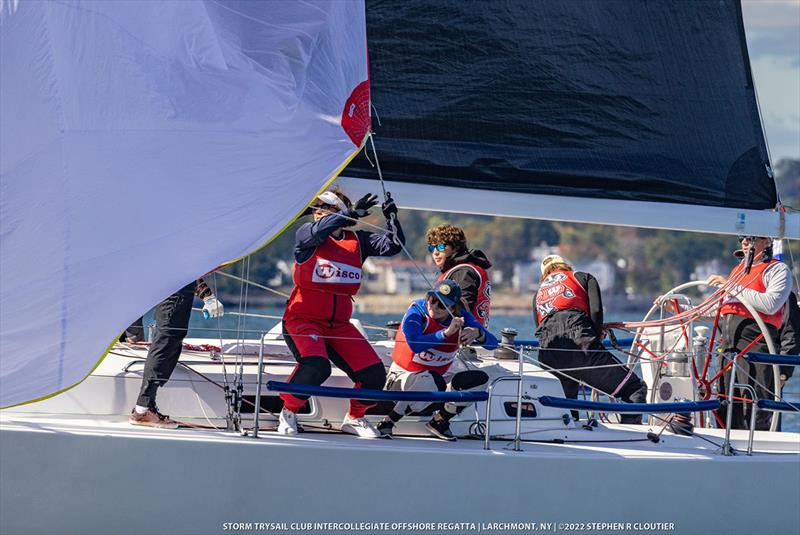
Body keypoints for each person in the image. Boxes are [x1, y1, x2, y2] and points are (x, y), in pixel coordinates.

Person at [278, 187, 404, 438]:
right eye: (315, 208)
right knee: (317, 367)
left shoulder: (359, 241)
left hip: (339, 325)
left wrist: (392, 219)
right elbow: (316, 231)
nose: (317, 213)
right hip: (303, 320)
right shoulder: (308, 235)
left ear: (339, 210)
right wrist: (347, 213)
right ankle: (288, 412)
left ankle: (355, 418)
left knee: (374, 375)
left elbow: (393, 246)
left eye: (324, 208)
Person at [376, 280, 498, 440]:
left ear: (453, 308)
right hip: (401, 379)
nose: (433, 307)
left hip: (436, 383)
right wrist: (446, 333)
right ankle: (388, 422)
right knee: (428, 378)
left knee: (481, 380)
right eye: (432, 300)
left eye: (441, 305)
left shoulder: (461, 317)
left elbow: (493, 343)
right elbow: (415, 345)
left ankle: (440, 421)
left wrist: (478, 333)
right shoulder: (416, 312)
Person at [534, 254, 647, 424]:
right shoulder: (583, 277)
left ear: (544, 275)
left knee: (564, 407)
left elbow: (539, 327)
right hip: (582, 345)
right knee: (634, 389)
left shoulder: (538, 294)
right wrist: (596, 335)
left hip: (549, 354)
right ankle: (633, 438)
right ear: (566, 266)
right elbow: (596, 311)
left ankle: (568, 436)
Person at [707, 236, 793, 430]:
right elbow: (721, 309)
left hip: (756, 346)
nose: (745, 242)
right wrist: (680, 308)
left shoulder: (778, 270)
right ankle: (725, 444)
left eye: (751, 238)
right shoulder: (736, 272)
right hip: (728, 347)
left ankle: (757, 446)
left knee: (756, 405)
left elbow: (770, 305)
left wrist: (729, 285)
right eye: (743, 238)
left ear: (767, 241)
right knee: (724, 403)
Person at [129, 278, 224, 428]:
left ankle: (147, 407)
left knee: (170, 342)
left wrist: (207, 296)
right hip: (175, 294)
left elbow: (189, 269)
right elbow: (188, 268)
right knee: (166, 341)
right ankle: (143, 410)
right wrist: (208, 297)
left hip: (174, 291)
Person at [426, 224, 492, 327]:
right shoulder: (467, 268)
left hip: (464, 338)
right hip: (473, 337)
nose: (435, 252)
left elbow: (463, 307)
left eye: (440, 246)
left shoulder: (463, 271)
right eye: (431, 248)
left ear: (455, 247)